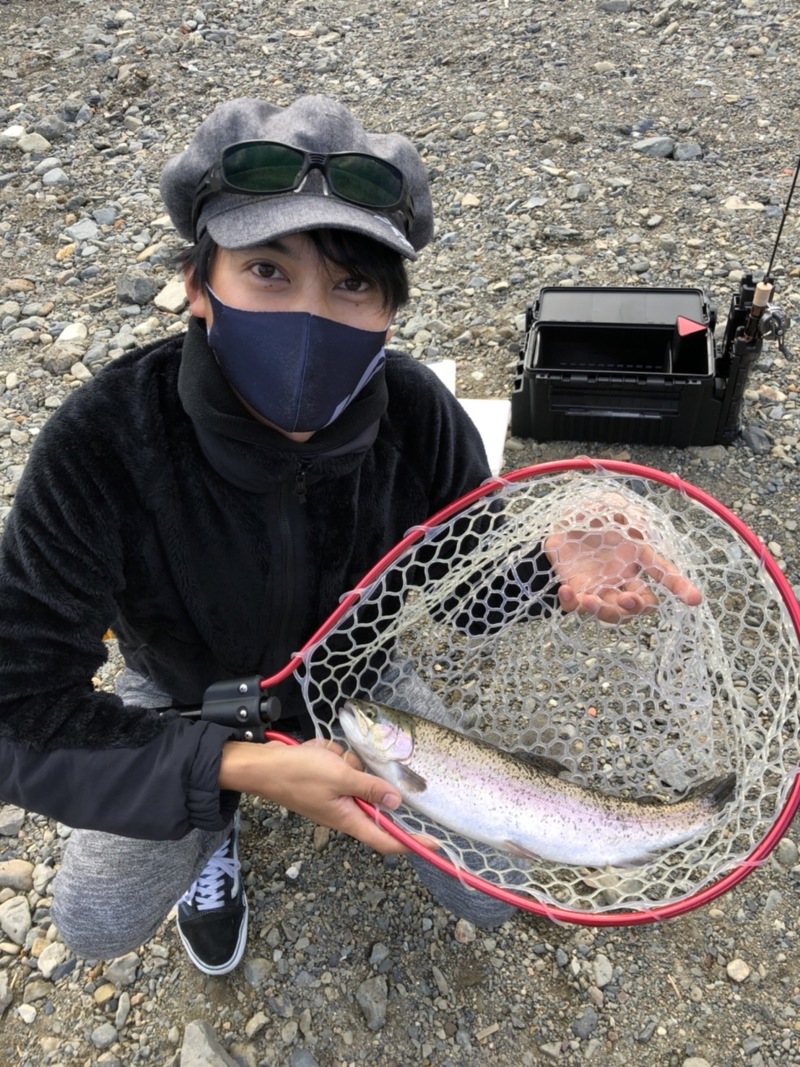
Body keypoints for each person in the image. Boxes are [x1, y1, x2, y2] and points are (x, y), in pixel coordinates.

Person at [0, 95, 701, 976]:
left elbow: (465, 585)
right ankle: (209, 822)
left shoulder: (417, 414)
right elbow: (16, 710)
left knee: (488, 893)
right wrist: (229, 768)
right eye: (267, 270)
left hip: (367, 690)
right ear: (197, 286)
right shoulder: (103, 439)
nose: (310, 316)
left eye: (352, 284)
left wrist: (542, 565)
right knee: (94, 920)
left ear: (389, 313)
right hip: (185, 692)